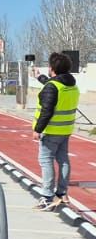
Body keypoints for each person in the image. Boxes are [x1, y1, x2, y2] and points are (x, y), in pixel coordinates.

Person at [33, 52, 80, 211]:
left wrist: (37, 129)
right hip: (65, 130)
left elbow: (46, 110)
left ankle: (47, 196)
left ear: (52, 68)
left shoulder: (52, 87)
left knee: (46, 161)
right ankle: (62, 193)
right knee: (63, 160)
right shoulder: (72, 85)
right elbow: (53, 85)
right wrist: (39, 77)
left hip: (50, 130)